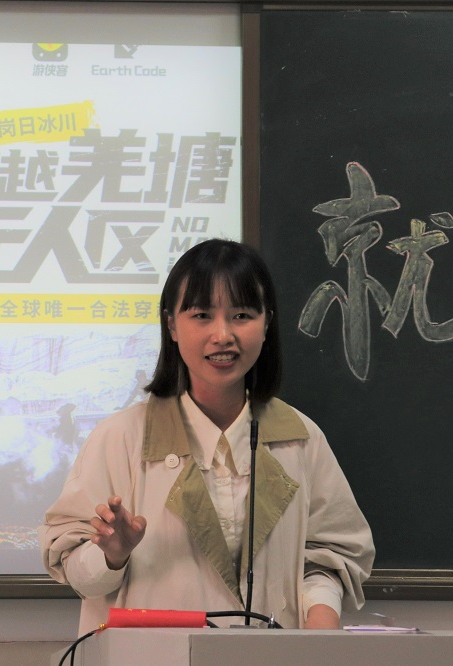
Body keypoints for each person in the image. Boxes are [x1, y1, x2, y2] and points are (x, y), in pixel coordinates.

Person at [38, 239, 374, 635]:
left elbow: (329, 555)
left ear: (267, 323)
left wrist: (321, 619)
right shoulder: (120, 438)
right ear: (171, 325)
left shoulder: (301, 438)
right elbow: (75, 570)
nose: (223, 335)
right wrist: (111, 555)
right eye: (201, 315)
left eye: (242, 315)